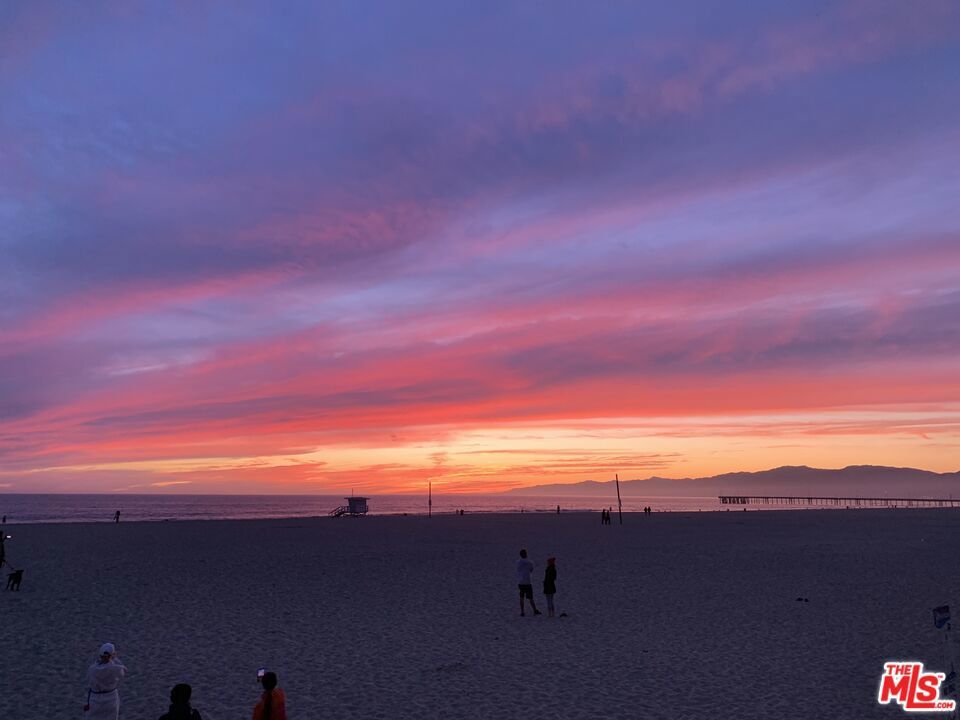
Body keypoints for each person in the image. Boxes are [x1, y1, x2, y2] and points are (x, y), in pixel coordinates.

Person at [85, 643, 126, 719]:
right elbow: (123, 670)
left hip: (95, 698)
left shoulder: (92, 669)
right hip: (111, 698)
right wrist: (114, 659)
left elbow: (88, 680)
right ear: (112, 655)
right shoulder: (116, 669)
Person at [516, 548, 541, 616]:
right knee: (530, 597)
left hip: (520, 582)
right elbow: (531, 570)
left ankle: (522, 611)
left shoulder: (518, 562)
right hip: (527, 582)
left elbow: (518, 569)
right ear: (526, 554)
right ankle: (534, 610)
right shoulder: (529, 562)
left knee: (521, 597)